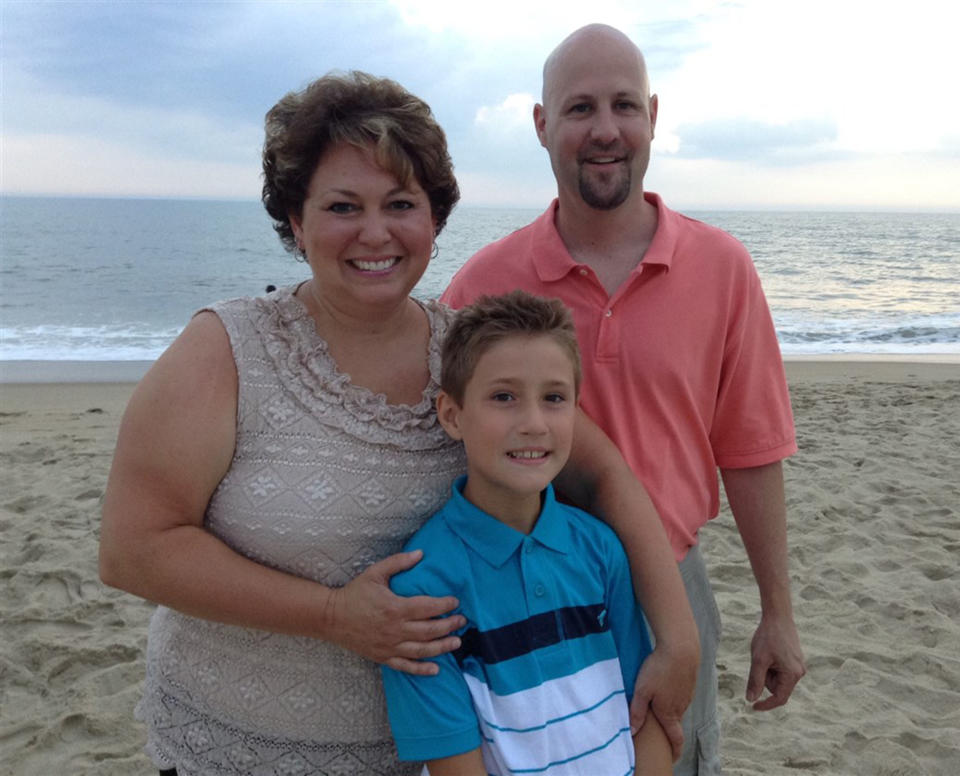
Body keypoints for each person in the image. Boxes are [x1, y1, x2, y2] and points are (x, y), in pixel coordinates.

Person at [99, 70, 696, 776]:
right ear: (297, 220)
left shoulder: (474, 360)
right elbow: (132, 550)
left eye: (401, 203)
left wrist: (679, 638)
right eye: (343, 205)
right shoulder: (226, 351)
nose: (374, 232)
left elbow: (603, 474)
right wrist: (329, 615)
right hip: (231, 750)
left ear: (435, 222)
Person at [442, 24, 807, 774]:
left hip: (670, 589)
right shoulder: (484, 282)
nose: (605, 130)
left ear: (653, 117)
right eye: (579, 109)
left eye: (624, 106)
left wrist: (778, 612)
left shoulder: (722, 268)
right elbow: (435, 435)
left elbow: (750, 449)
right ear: (543, 126)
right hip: (517, 592)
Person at [381, 291, 673, 776]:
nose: (534, 423)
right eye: (503, 397)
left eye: (554, 398)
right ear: (453, 415)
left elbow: (645, 711)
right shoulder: (422, 588)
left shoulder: (600, 549)